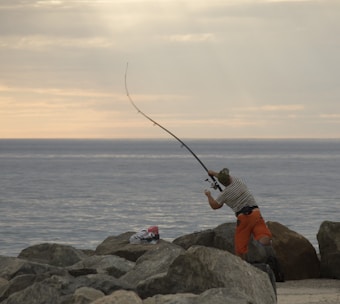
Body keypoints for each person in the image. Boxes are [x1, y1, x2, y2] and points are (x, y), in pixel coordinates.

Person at [204, 168, 272, 260]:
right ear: (229, 177)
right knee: (263, 234)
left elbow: (215, 206)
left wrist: (209, 195)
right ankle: (267, 242)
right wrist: (212, 173)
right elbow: (225, 177)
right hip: (256, 213)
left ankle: (243, 265)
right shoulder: (238, 181)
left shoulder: (224, 194)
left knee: (240, 247)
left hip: (243, 218)